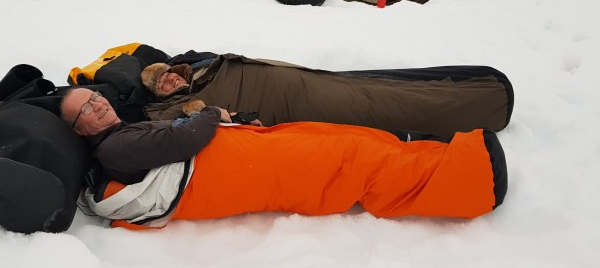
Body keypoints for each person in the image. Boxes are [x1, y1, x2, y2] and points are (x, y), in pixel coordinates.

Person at [59, 88, 507, 229]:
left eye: (96, 98)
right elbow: (183, 144)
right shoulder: (115, 147)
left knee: (334, 139)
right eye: (86, 110)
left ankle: (429, 153)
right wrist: (211, 114)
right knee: (347, 163)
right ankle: (471, 179)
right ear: (80, 129)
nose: (98, 106)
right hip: (250, 169)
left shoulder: (123, 130)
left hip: (253, 154)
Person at [139, 53, 514, 138]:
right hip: (291, 105)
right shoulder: (170, 110)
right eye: (161, 83)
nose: (168, 80)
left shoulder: (203, 67)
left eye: (168, 73)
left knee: (373, 88)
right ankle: (485, 103)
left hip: (301, 79)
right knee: (373, 106)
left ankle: (479, 87)